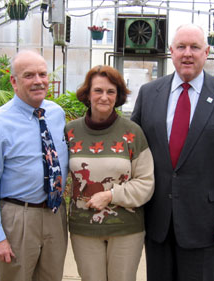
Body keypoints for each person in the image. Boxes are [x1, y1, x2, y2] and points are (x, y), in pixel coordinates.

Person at [131, 24, 214, 281]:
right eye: (181, 47)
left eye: (195, 47)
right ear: (171, 52)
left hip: (205, 222)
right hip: (157, 219)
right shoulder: (149, 93)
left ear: (206, 52)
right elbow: (134, 151)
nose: (187, 53)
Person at [0, 50, 69, 281]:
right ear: (14, 82)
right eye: (29, 75)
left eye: (42, 74)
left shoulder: (56, 114)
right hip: (18, 218)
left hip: (55, 214)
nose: (38, 81)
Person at [65, 65, 154, 281]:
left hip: (126, 229)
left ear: (118, 96)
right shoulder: (70, 132)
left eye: (111, 92)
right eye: (98, 90)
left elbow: (146, 182)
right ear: (87, 94)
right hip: (84, 227)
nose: (104, 97)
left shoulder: (132, 133)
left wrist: (111, 195)